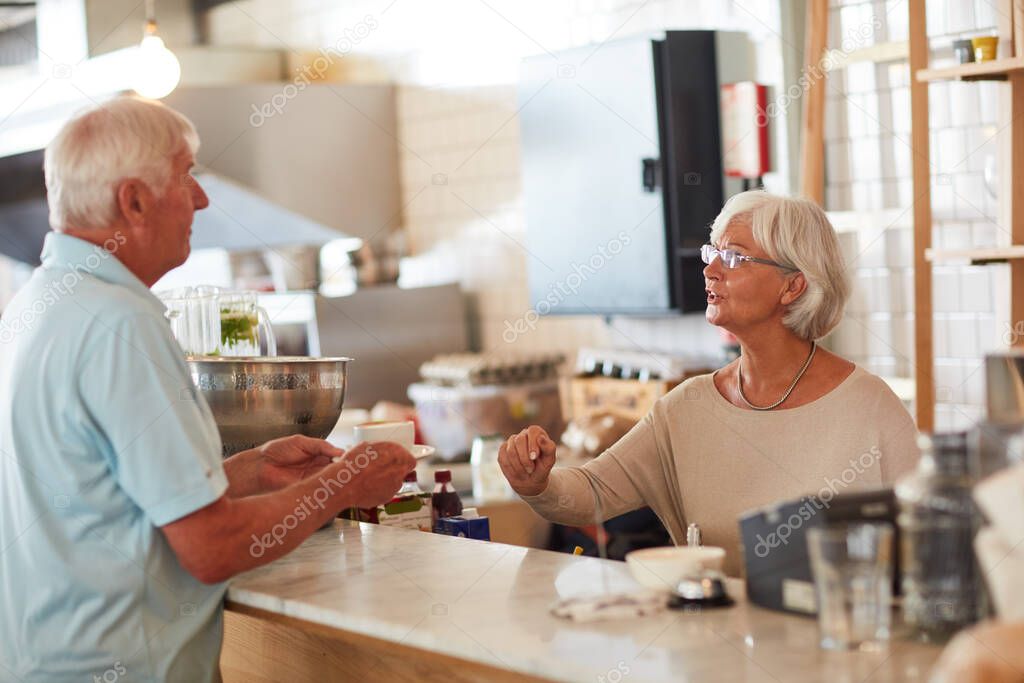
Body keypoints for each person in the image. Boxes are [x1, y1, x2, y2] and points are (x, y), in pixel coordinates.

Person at [0, 96, 415, 682]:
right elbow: (211, 548)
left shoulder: (41, 303)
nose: (201, 198)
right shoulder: (120, 324)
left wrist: (251, 471)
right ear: (134, 201)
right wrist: (343, 483)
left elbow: (111, 496)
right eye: (185, 175)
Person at [499, 191, 920, 577]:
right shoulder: (686, 409)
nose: (710, 269)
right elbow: (591, 493)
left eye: (734, 258)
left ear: (792, 285)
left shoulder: (870, 407)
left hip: (838, 650)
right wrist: (536, 484)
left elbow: (923, 544)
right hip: (712, 647)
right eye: (712, 252)